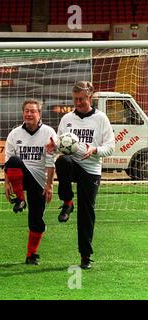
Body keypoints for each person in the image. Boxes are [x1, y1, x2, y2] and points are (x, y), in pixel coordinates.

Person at [47, 81, 115, 269]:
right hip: (73, 165)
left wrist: (95, 150)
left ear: (90, 97)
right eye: (75, 99)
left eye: (82, 99)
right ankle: (67, 202)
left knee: (87, 212)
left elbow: (110, 147)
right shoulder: (67, 119)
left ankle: (85, 256)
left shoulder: (101, 119)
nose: (78, 102)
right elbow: (59, 145)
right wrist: (53, 147)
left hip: (91, 169)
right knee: (62, 161)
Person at [4, 99, 57, 265]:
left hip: (39, 180)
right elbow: (7, 162)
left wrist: (49, 185)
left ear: (39, 114)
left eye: (32, 111)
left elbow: (50, 162)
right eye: (26, 111)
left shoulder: (49, 132)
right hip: (21, 176)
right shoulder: (14, 134)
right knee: (13, 160)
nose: (29, 114)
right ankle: (20, 199)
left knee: (36, 220)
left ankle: (31, 254)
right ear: (22, 113)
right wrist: (6, 182)